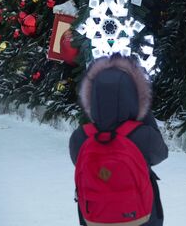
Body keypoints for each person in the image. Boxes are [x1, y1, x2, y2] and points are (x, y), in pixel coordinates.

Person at [69, 54, 168, 226]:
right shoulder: (142, 136)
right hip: (139, 218)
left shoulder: (81, 137)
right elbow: (162, 153)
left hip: (94, 218)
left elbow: (77, 162)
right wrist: (145, 114)